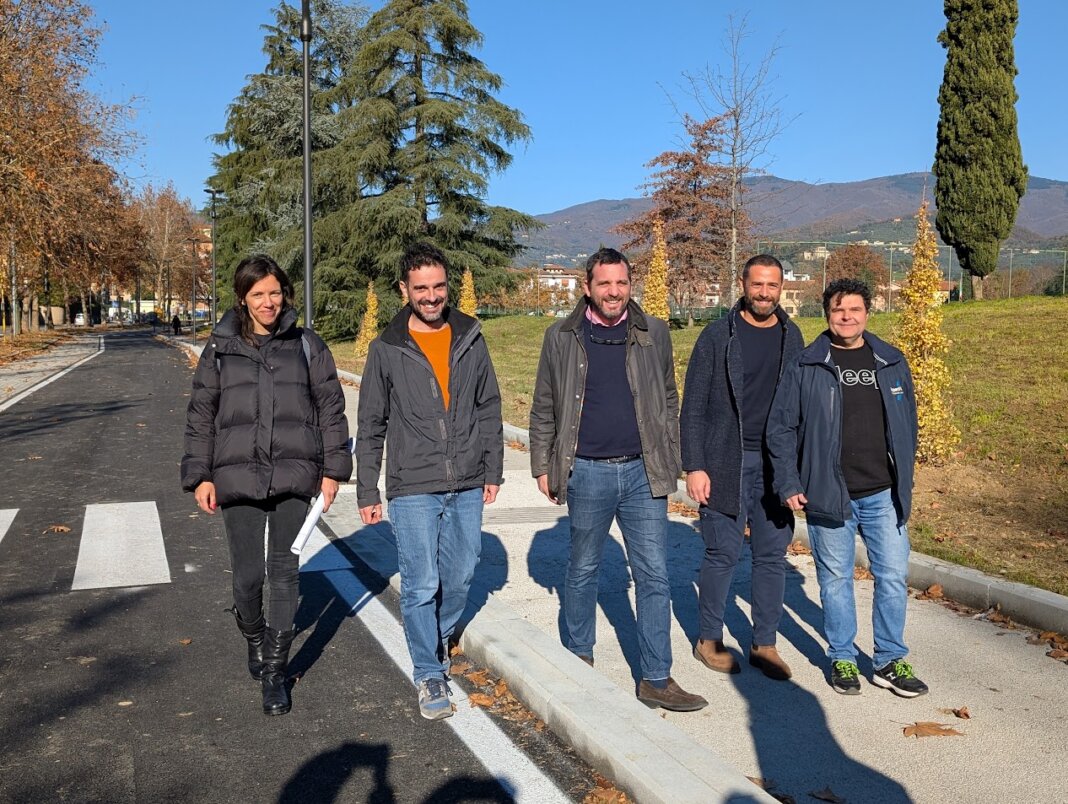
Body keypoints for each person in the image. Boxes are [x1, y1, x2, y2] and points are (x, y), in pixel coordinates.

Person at [529, 247, 707, 712]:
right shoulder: (561, 336)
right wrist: (542, 465)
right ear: (587, 287)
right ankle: (577, 660)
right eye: (605, 283)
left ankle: (655, 677)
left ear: (631, 285)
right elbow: (544, 405)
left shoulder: (654, 334)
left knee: (653, 574)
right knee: (584, 567)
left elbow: (669, 399)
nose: (614, 292)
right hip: (584, 470)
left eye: (622, 283)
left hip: (642, 471)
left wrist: (674, 459)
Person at [181, 255, 352, 716]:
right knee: (247, 577)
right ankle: (253, 634)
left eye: (274, 292)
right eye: (258, 294)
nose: (268, 302)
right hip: (236, 475)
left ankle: (276, 671)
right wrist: (200, 476)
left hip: (296, 476)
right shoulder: (219, 350)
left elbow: (331, 409)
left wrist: (334, 472)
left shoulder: (307, 346)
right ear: (243, 298)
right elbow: (201, 416)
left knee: (284, 572)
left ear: (285, 294)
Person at [356, 242, 504, 721]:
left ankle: (435, 639)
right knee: (421, 584)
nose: (432, 296)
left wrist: (493, 468)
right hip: (412, 483)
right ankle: (428, 672)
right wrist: (367, 489)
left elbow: (489, 405)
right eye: (421, 288)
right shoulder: (387, 348)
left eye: (439, 286)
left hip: (467, 478)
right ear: (405, 290)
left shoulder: (471, 336)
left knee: (461, 573)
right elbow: (372, 421)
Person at [766, 277, 928, 697]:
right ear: (827, 314)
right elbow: (781, 428)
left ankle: (890, 659)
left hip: (884, 492)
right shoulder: (807, 365)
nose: (847, 317)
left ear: (867, 313)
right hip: (829, 492)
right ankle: (842, 656)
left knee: (892, 576)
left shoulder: (892, 361)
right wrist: (788, 480)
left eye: (855, 309)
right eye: (839, 310)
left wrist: (905, 475)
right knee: (835, 579)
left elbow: (908, 421)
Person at [680, 255, 803, 681]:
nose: (764, 292)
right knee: (722, 551)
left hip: (775, 465)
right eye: (757, 284)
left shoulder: (793, 337)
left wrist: (798, 471)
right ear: (743, 285)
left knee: (772, 555)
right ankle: (708, 638)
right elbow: (692, 408)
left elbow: (801, 409)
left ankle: (764, 643)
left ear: (781, 288)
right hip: (725, 461)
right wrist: (694, 465)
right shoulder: (717, 336)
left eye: (772, 285)